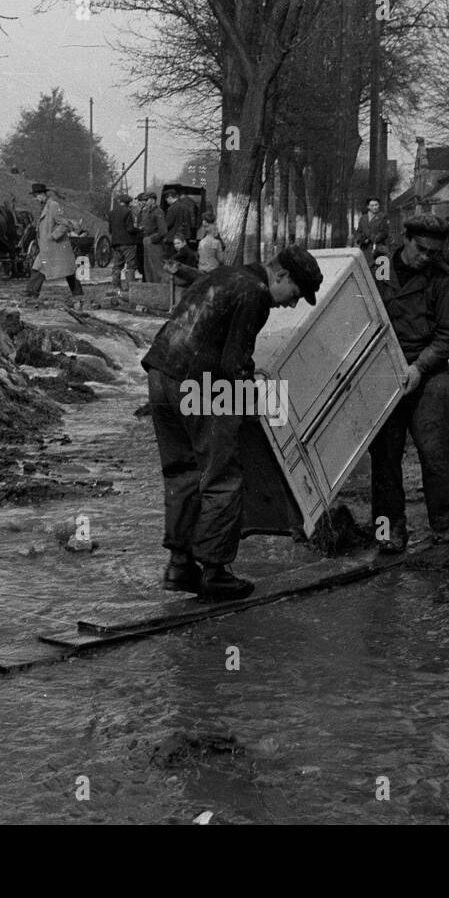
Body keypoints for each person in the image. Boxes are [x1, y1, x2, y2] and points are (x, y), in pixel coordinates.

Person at [143, 244, 323, 600]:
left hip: (161, 373)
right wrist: (255, 408)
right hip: (199, 384)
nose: (291, 304)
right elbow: (235, 364)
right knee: (222, 477)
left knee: (183, 472)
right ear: (281, 275)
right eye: (295, 295)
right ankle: (215, 571)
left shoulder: (225, 274)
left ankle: (180, 565)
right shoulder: (254, 293)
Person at [368, 214, 449, 553]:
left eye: (433, 252)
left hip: (429, 371)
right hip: (384, 369)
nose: (426, 257)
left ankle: (443, 526)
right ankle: (389, 532)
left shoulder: (444, 278)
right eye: (421, 249)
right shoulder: (379, 267)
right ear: (405, 238)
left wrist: (420, 366)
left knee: (435, 453)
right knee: (383, 456)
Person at [26, 183, 83, 307]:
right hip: (47, 247)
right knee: (38, 268)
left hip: (56, 246)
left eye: (36, 196)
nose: (36, 199)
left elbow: (64, 224)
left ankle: (78, 294)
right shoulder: (45, 206)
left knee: (69, 271)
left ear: (41, 194)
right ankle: (31, 294)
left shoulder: (53, 205)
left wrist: (53, 236)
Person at [107, 193, 140, 295]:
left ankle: (116, 287)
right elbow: (130, 229)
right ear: (128, 203)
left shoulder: (111, 213)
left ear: (119, 202)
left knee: (117, 266)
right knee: (130, 265)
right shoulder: (127, 212)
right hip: (127, 243)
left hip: (116, 243)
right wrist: (138, 230)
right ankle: (131, 288)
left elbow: (110, 229)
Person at [138, 192, 167, 283]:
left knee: (156, 267)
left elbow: (163, 231)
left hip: (154, 243)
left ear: (153, 200)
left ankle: (159, 289)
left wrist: (152, 239)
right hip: (146, 240)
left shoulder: (158, 212)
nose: (145, 202)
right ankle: (151, 289)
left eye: (147, 200)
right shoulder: (147, 211)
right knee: (148, 267)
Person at [162, 187, 199, 258]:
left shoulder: (171, 208)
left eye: (166, 198)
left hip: (172, 239)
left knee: (171, 259)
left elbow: (168, 224)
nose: (166, 201)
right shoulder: (185, 207)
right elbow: (190, 222)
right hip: (184, 238)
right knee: (182, 258)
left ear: (170, 197)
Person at [353, 196, 389, 267]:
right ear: (368, 207)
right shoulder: (363, 218)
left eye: (376, 205)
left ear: (379, 206)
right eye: (372, 205)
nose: (375, 207)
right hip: (365, 250)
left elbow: (384, 233)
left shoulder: (383, 217)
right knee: (365, 271)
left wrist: (370, 238)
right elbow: (358, 232)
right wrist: (362, 239)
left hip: (379, 250)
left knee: (379, 275)